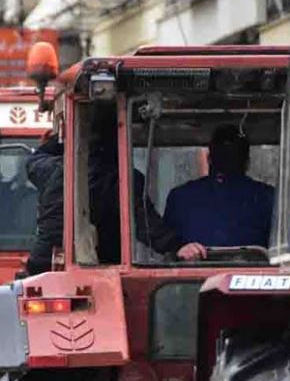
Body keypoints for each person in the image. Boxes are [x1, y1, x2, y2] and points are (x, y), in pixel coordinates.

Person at [25, 107, 184, 274]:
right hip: (96, 264)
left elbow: (34, 161)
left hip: (42, 262)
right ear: (121, 140)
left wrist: (61, 140)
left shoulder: (51, 169)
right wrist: (175, 246)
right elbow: (141, 219)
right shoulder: (120, 178)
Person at [163, 124, 275, 260]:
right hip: (248, 276)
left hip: (193, 276)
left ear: (209, 159)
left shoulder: (180, 196)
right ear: (247, 163)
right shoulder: (269, 197)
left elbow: (169, 249)